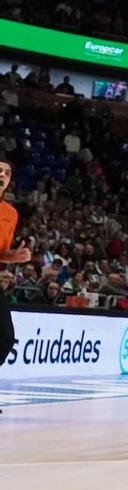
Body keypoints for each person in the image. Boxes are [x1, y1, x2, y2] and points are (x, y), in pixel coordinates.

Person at [0, 162, 20, 390]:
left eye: (7, 173)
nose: (2, 176)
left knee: (5, 336)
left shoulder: (11, 213)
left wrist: (15, 256)